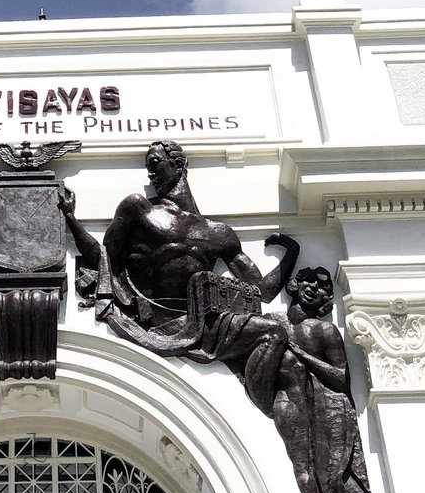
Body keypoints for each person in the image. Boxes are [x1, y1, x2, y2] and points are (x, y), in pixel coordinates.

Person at [62, 140, 298, 413]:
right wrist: (71, 219)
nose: (150, 173)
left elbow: (262, 291)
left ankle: (271, 411)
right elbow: (103, 256)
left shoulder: (219, 233)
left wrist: (291, 253)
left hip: (205, 325)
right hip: (157, 321)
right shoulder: (139, 209)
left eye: (154, 163)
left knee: (274, 332)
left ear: (179, 164)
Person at [278, 267, 384, 493]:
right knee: (308, 475)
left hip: (330, 407)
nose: (314, 289)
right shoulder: (277, 323)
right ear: (295, 285)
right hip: (298, 408)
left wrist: (301, 355)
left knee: (338, 475)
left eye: (323, 288)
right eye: (308, 281)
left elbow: (341, 377)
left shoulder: (324, 332)